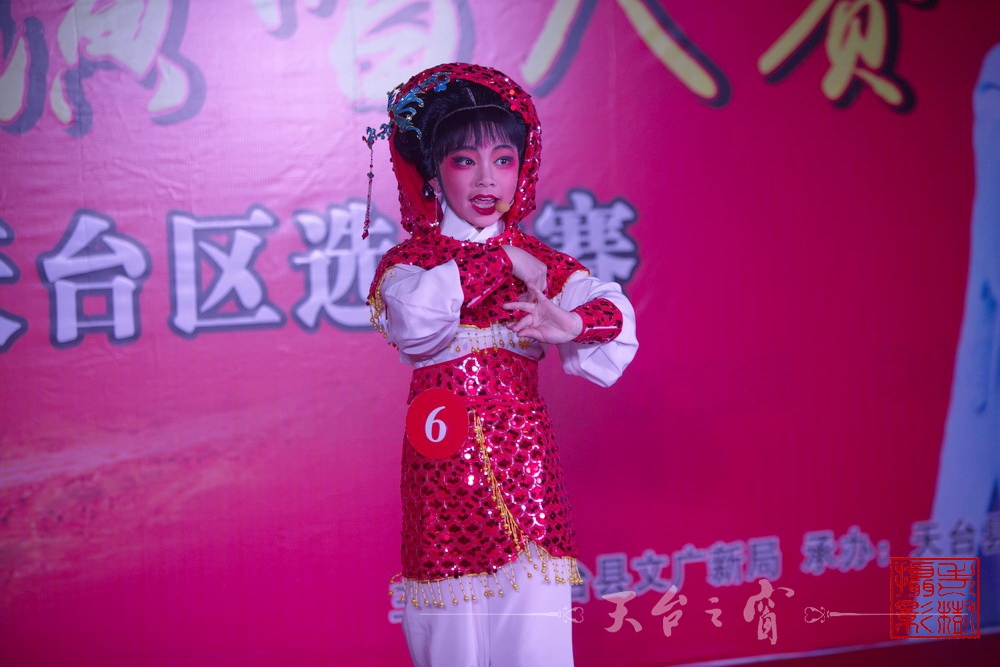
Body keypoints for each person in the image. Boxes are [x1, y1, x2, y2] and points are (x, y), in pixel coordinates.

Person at [366, 63, 638, 667]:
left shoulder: (545, 263)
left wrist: (571, 324)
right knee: (449, 633)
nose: (487, 179)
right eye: (465, 160)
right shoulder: (409, 263)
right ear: (434, 173)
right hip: (442, 468)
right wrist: (504, 259)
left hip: (527, 472)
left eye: (504, 160)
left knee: (533, 635)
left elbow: (612, 316)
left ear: (523, 169)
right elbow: (415, 324)